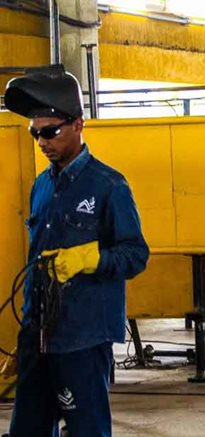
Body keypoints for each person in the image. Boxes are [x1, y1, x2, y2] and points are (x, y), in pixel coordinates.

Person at [4, 66, 149, 436]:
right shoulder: (41, 186)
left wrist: (89, 258)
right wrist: (27, 336)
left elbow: (136, 255)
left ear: (78, 125)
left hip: (83, 338)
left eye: (50, 132)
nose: (42, 141)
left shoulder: (109, 186)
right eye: (35, 133)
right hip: (38, 337)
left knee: (87, 430)